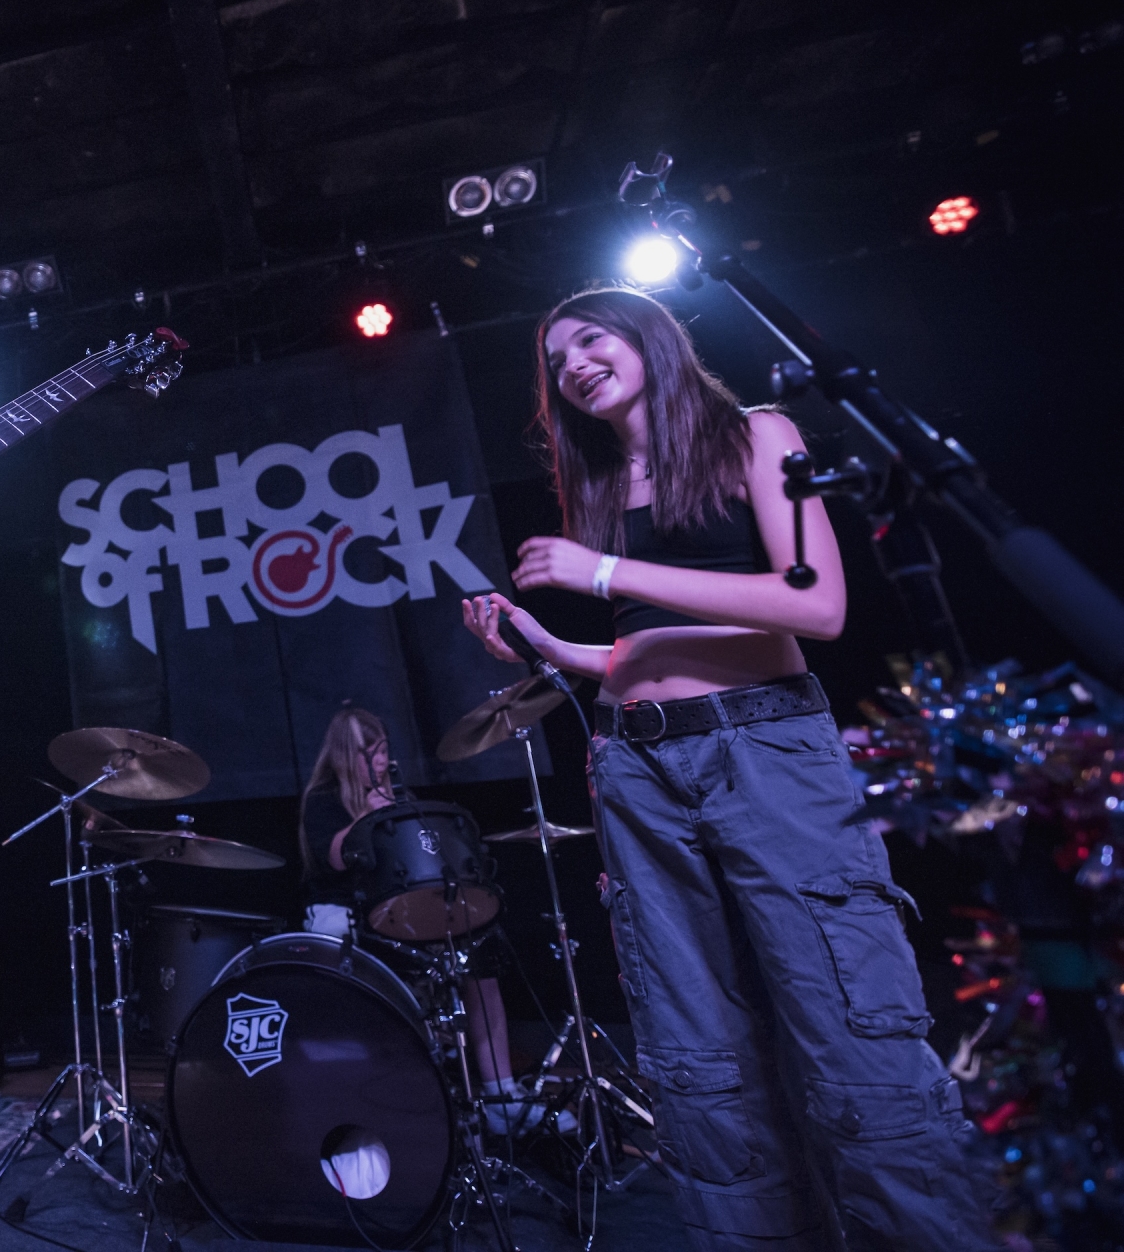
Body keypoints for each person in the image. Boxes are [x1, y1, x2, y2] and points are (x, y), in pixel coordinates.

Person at [461, 287, 995, 1249]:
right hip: (635, 766)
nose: (574, 363)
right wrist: (547, 642)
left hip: (763, 750)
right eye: (556, 360)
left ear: (647, 337)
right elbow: (638, 654)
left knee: (845, 1027)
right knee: (697, 1051)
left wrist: (607, 576)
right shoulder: (600, 486)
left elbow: (814, 604)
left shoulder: (754, 433)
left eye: (591, 338)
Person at [298, 706, 567, 1137]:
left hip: (399, 912)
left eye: (384, 750)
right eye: (372, 753)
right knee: (334, 942)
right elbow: (333, 858)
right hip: (345, 911)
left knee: (478, 963)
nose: (382, 762)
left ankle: (501, 1095)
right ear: (348, 757)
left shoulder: (397, 796)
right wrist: (368, 815)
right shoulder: (325, 799)